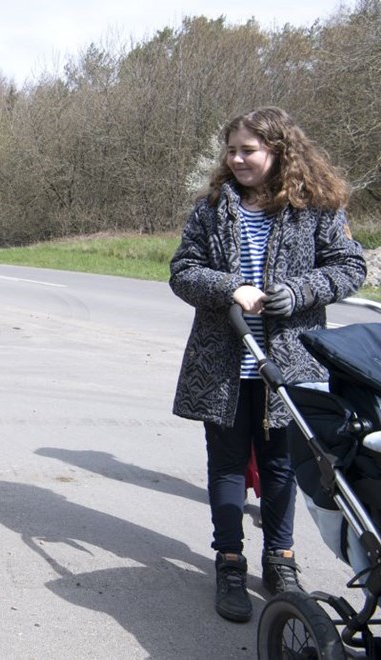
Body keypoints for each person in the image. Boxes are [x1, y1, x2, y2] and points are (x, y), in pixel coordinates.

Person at [170, 106, 366, 623]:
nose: (236, 159)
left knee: (282, 466)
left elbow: (350, 267)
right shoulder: (210, 207)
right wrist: (228, 287)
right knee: (227, 464)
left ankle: (280, 560)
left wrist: (298, 291)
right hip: (224, 362)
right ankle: (229, 561)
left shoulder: (319, 207)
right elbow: (183, 271)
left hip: (292, 361)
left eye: (248, 150)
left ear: (279, 151)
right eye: (231, 150)